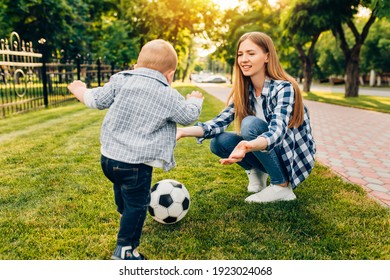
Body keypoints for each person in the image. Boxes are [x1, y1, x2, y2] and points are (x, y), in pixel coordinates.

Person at [67, 39, 204, 260]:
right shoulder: (167, 94)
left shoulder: (120, 80)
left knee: (121, 189)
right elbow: (188, 116)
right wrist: (195, 101)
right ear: (170, 74)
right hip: (136, 165)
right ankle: (125, 250)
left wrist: (80, 89)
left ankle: (124, 214)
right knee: (138, 205)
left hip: (109, 159)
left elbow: (95, 100)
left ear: (136, 65)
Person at [177, 32, 315, 203]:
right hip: (266, 150)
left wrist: (248, 145)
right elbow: (218, 123)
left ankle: (282, 186)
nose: (243, 59)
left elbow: (277, 133)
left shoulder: (283, 88)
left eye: (251, 53)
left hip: (290, 156)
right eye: (240, 54)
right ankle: (258, 173)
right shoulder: (245, 90)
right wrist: (182, 132)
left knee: (249, 125)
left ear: (267, 57)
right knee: (218, 141)